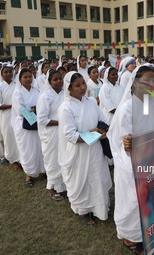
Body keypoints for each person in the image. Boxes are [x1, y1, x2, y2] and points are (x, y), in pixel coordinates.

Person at [107, 66, 154, 255]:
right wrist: (129, 142)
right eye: (146, 81)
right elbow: (124, 140)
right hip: (130, 161)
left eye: (153, 80)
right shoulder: (126, 107)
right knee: (132, 200)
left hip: (149, 157)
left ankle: (145, 231)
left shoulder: (151, 103)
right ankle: (130, 237)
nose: (151, 85)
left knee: (147, 198)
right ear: (136, 83)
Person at [58, 72, 112, 225]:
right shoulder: (65, 108)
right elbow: (70, 135)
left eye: (83, 83)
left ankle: (100, 207)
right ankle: (84, 210)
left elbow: (102, 120)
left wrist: (102, 131)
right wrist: (92, 134)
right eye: (77, 85)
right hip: (79, 152)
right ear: (69, 88)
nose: (82, 87)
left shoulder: (91, 102)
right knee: (81, 179)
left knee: (97, 176)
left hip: (95, 150)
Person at [11, 69, 45, 187]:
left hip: (37, 124)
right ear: (20, 79)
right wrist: (34, 109)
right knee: (27, 150)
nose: (28, 79)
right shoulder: (17, 93)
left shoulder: (38, 90)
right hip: (24, 126)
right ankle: (28, 174)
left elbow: (42, 105)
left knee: (39, 148)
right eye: (25, 77)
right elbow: (20, 110)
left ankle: (41, 170)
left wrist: (34, 109)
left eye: (30, 76)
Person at [37, 70, 66, 200]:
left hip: (65, 132)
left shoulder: (67, 94)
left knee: (65, 157)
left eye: (60, 78)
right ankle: (52, 187)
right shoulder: (45, 96)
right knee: (53, 159)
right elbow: (42, 120)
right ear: (49, 82)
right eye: (55, 79)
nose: (59, 81)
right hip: (53, 133)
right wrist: (61, 122)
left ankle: (65, 185)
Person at [0, 66, 21, 170]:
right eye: (6, 72)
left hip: (18, 115)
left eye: (10, 72)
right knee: (9, 137)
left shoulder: (17, 85)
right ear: (2, 74)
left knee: (18, 136)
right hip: (6, 116)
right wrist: (12, 106)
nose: (9, 74)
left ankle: (21, 159)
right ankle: (14, 160)